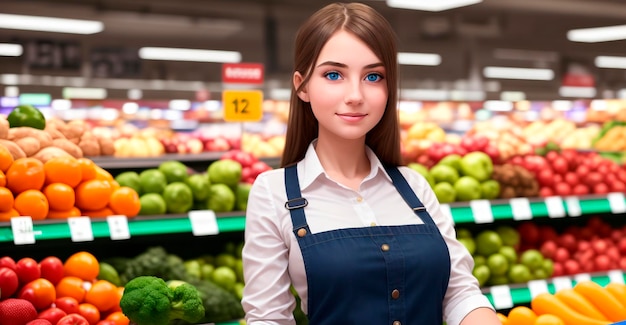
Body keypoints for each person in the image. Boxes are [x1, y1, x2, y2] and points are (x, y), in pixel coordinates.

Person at [241, 2, 501, 324]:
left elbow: (460, 291)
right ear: (302, 85)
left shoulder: (413, 185)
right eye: (333, 75)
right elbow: (269, 318)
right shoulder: (273, 192)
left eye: (373, 76)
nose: (355, 95)